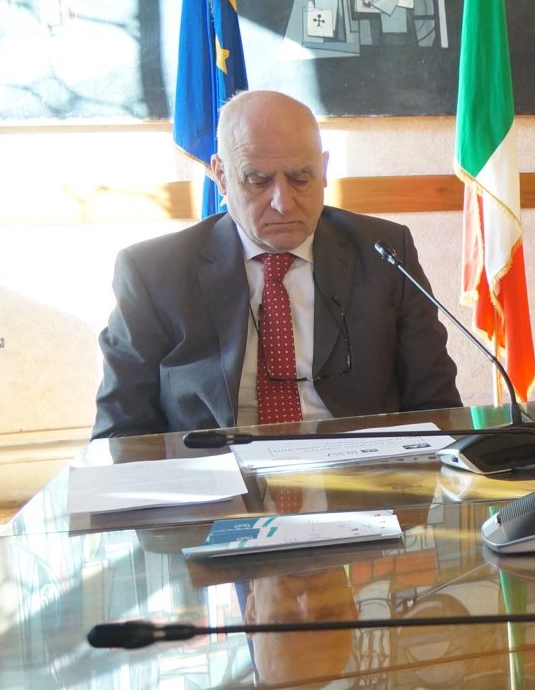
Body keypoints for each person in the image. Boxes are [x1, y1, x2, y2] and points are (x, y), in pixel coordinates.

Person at [93, 90, 461, 438]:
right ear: (221, 176)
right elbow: (120, 431)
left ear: (323, 169)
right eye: (257, 181)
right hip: (219, 469)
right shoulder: (153, 272)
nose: (283, 203)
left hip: (362, 466)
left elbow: (437, 406)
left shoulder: (384, 253)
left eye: (301, 178)